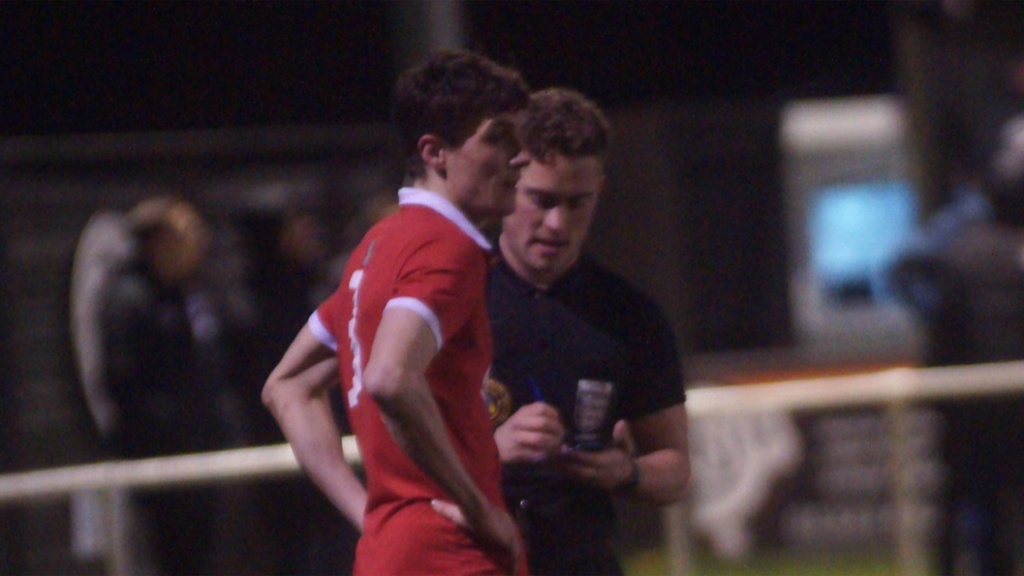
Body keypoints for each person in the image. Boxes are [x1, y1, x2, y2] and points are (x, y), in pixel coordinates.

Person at [261, 49, 530, 575]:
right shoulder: (445, 246)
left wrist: (371, 516)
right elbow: (389, 376)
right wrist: (479, 508)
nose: (518, 157)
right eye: (498, 138)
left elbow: (286, 387)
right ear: (435, 152)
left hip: (392, 550)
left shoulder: (376, 248)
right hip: (451, 551)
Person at [482, 88, 691, 575]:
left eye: (578, 203)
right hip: (469, 560)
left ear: (601, 188)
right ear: (508, 180)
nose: (557, 223)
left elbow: (675, 468)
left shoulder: (629, 316)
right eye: (542, 199)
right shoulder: (451, 298)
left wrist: (626, 471)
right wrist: (489, 450)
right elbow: (396, 456)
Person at [100, 196, 243, 575]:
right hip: (163, 461)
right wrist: (175, 427)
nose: (199, 241)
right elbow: (124, 384)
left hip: (200, 454)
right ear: (160, 241)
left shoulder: (188, 293)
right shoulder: (129, 299)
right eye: (187, 232)